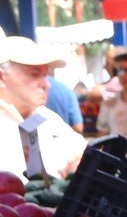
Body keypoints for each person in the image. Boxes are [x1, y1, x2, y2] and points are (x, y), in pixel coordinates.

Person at [0, 36, 87, 178]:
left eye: (45, 75)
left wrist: (82, 162)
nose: (46, 84)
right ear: (1, 78)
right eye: (34, 75)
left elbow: (83, 151)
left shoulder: (46, 117)